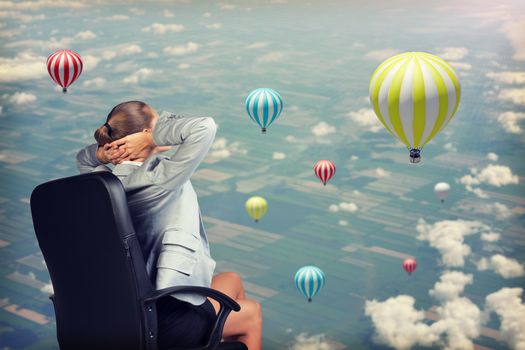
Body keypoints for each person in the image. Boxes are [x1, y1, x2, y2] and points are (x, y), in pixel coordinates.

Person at [75, 101, 262, 350]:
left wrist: (102, 154)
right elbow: (204, 127)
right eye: (159, 123)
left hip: (124, 316)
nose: (166, 126)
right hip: (165, 321)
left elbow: (83, 159)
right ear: (143, 135)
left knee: (232, 279)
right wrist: (152, 137)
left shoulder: (102, 184)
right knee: (252, 314)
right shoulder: (157, 178)